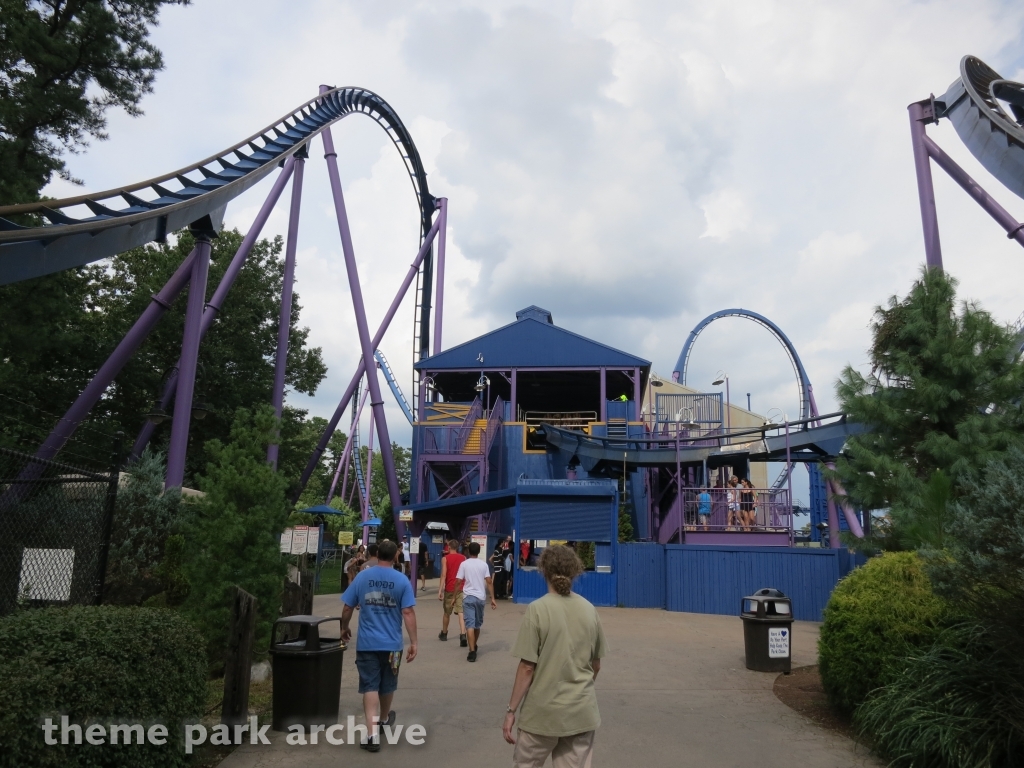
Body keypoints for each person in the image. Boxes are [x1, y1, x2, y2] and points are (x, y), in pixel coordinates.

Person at [503, 545, 607, 767]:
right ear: (575, 571)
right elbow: (596, 665)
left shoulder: (537, 609)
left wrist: (511, 710)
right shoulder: (590, 610)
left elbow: (527, 668)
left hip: (542, 715)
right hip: (580, 713)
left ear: (543, 570)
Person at [340, 539, 418, 752]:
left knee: (370, 685)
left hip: (367, 644)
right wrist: (414, 642)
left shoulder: (363, 576)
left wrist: (343, 627)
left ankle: (371, 734)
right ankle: (384, 719)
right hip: (393, 645)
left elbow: (348, 607)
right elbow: (408, 612)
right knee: (389, 681)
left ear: (376, 554)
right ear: (395, 556)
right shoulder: (402, 580)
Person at [455, 541, 497, 662]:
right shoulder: (483, 565)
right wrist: (493, 598)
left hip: (468, 597)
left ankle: (472, 651)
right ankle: (473, 646)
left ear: (468, 551)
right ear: (479, 552)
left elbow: (458, 581)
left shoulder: (464, 564)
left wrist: (454, 597)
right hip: (480, 598)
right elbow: (489, 581)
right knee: (477, 624)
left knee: (470, 625)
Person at [438, 538, 467, 646]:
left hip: (450, 588)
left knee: (447, 612)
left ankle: (444, 633)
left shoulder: (445, 559)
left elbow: (444, 575)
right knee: (461, 612)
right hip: (461, 587)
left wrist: (440, 590)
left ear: (449, 547)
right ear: (458, 547)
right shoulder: (463, 558)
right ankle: (463, 634)